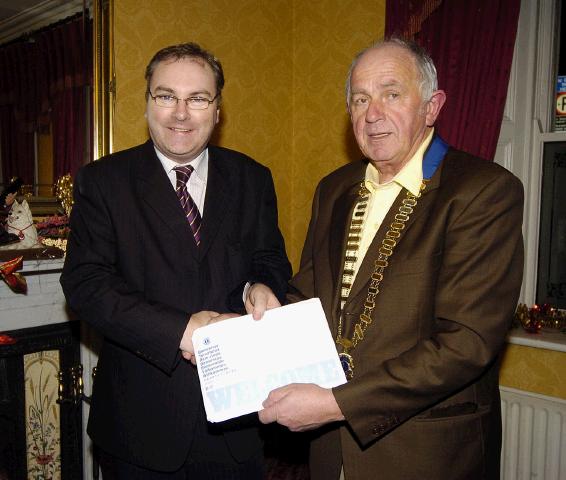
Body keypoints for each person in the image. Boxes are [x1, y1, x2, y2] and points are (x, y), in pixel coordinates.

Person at [246, 38, 524, 480]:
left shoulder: (482, 191)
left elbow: (466, 342)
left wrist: (337, 403)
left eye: (391, 94)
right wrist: (263, 316)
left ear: (432, 107)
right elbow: (310, 291)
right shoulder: (335, 189)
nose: (372, 113)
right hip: (330, 450)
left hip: (425, 453)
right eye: (360, 99)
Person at [60, 42, 291, 479]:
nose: (180, 113)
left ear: (218, 110)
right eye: (166, 96)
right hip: (141, 427)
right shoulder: (103, 181)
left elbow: (269, 257)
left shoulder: (252, 177)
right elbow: (86, 284)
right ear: (147, 102)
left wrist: (260, 286)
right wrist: (182, 331)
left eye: (197, 99)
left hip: (237, 423)